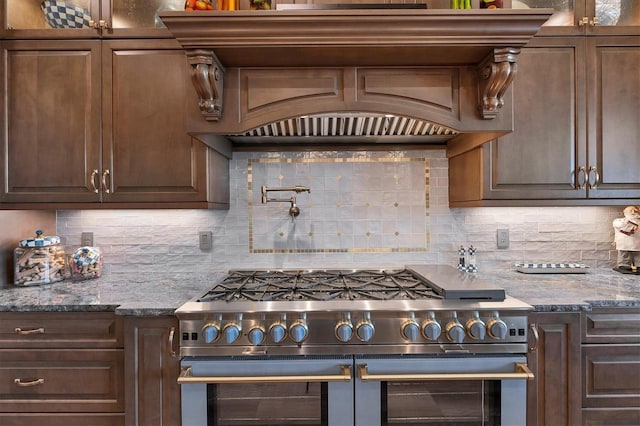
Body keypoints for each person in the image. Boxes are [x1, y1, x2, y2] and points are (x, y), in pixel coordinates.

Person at [612, 206, 640, 274]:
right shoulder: (619, 221)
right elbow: (623, 226)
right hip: (627, 244)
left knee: (630, 256)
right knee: (625, 255)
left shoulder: (619, 221)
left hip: (633, 244)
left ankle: (626, 266)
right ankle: (625, 266)